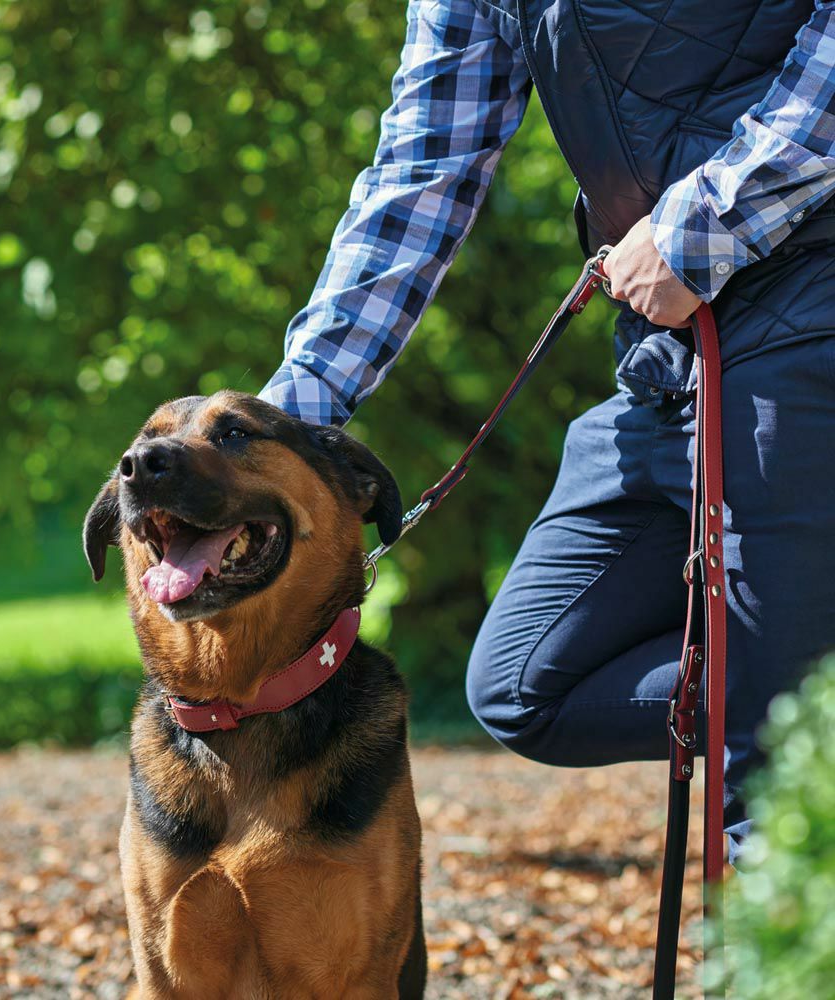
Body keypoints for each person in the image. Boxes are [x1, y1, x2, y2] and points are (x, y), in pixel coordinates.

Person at [260, 0, 835, 862]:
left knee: (767, 805)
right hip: (665, 357)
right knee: (524, 683)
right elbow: (420, 171)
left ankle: (792, 707)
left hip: (808, 317)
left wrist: (700, 230)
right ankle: (801, 690)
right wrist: (278, 430)